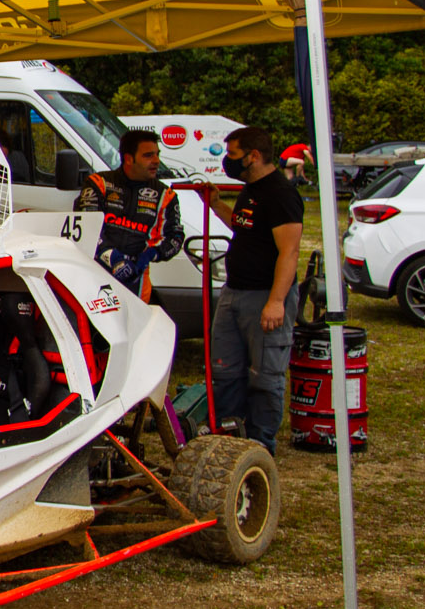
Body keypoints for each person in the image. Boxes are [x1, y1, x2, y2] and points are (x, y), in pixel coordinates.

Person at [208, 126, 305, 454]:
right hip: (234, 291)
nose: (228, 161)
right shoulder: (250, 190)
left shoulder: (281, 194)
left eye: (233, 154)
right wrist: (217, 205)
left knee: (265, 375)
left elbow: (289, 252)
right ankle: (228, 439)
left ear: (253, 156)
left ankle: (260, 447)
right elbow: (243, 226)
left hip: (264, 295)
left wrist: (276, 301)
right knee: (225, 371)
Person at [76, 129, 183, 298]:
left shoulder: (165, 195)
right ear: (128, 158)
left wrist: (151, 254)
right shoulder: (99, 183)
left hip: (137, 277)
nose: (156, 161)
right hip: (95, 270)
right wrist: (112, 258)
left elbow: (175, 237)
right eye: (148, 156)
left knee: (137, 315)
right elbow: (85, 226)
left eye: (157, 154)